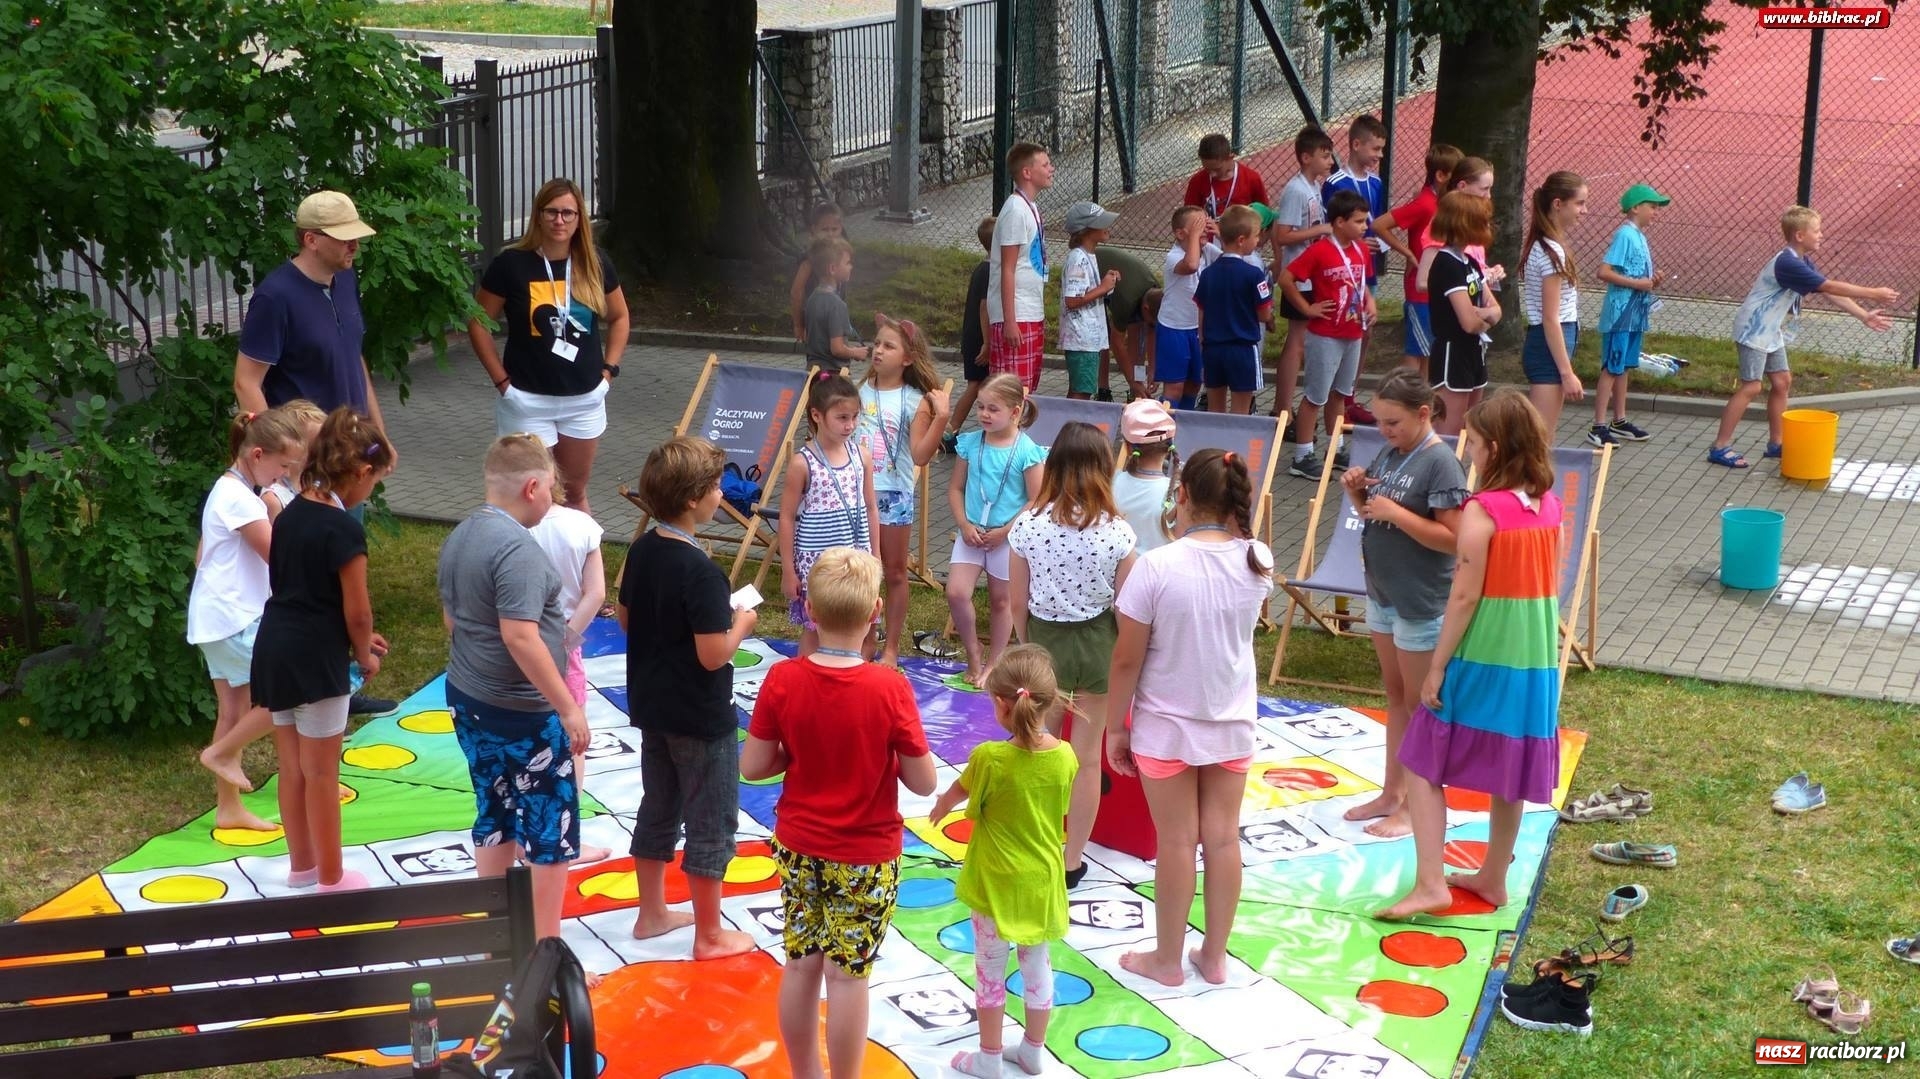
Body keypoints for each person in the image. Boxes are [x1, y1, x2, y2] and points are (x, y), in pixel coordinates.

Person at [740, 549, 937, 1079]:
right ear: (876, 611)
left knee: (801, 965)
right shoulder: (890, 688)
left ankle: (806, 1073)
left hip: (800, 846)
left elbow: (753, 767)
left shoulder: (783, 680)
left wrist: (795, 751)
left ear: (808, 610)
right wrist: (882, 750)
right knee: (848, 978)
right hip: (866, 856)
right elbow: (924, 782)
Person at [1380, 393, 1563, 920]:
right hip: (1533, 660)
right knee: (1510, 771)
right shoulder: (1548, 503)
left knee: (1421, 759)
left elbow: (1463, 596)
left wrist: (1436, 666)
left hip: (1484, 654)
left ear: (1497, 448)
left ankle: (1430, 884)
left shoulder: (1483, 510)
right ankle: (1493, 878)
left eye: (1476, 444)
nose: (1469, 454)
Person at [1105, 449, 1274, 986]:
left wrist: (1115, 726)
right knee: (1223, 839)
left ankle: (1166, 959)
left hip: (1164, 726)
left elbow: (1127, 657)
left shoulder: (1156, 565)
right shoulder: (1259, 559)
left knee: (1177, 841)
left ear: (1179, 496)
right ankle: (1215, 955)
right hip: (1231, 722)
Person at [438, 433, 589, 939]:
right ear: (532, 487)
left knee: (495, 809)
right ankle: (545, 946)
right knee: (552, 826)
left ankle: (497, 938)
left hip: (468, 696)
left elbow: (452, 620)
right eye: (551, 487)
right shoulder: (517, 551)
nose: (554, 498)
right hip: (522, 711)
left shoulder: (460, 535)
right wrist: (566, 706)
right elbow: (521, 636)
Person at [619, 435, 761, 958]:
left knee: (659, 804)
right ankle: (709, 934)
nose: (721, 492)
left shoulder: (641, 550)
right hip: (701, 717)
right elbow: (713, 655)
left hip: (653, 707)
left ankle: (651, 912)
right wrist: (741, 623)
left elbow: (627, 617)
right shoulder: (701, 570)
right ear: (692, 499)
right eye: (715, 485)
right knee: (712, 818)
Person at [252, 407, 395, 892]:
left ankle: (303, 868)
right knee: (322, 774)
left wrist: (352, 636)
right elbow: (358, 612)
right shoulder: (344, 529)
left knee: (291, 770)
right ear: (359, 473)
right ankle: (333, 879)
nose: (370, 492)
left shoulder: (289, 512)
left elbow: (299, 587)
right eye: (374, 482)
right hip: (316, 659)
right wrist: (363, 652)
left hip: (276, 647)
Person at [927, 645, 1076, 1079]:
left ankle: (989, 1058)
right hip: (1042, 882)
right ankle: (1033, 1050)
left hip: (995, 883)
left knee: (990, 970)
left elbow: (962, 790)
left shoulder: (990, 758)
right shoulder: (1066, 756)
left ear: (1000, 703)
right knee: (1038, 965)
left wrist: (942, 805)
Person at [1008, 423, 1138, 889]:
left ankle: (1033, 847)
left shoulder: (1027, 525)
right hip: (1100, 644)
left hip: (1045, 643)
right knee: (1085, 760)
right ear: (1105, 468)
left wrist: (1027, 645)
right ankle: (1071, 860)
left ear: (1054, 464)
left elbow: (1015, 603)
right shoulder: (1119, 533)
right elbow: (1126, 610)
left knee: (1038, 752)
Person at [1339, 371, 1466, 839]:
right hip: (1384, 592)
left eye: (1393, 422)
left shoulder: (1441, 464)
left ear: (1423, 414)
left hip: (1420, 599)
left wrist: (1397, 512)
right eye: (1380, 422)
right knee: (1396, 699)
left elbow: (1454, 539)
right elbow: (1375, 512)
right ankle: (1392, 792)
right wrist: (1357, 493)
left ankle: (1417, 807)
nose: (1385, 431)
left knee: (1420, 707)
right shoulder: (1393, 453)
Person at [467, 178, 629, 513]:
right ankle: (526, 563)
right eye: (552, 211)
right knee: (529, 495)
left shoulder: (595, 263)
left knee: (573, 493)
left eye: (568, 213)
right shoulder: (511, 265)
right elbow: (479, 322)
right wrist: (502, 383)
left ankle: (582, 565)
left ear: (579, 219)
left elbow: (620, 318)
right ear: (538, 215)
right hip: (526, 400)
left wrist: (608, 373)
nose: (559, 220)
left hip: (584, 398)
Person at [1709, 206, 1900, 467]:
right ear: (1799, 235)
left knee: (1782, 381)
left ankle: (1776, 443)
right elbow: (1828, 286)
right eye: (1817, 230)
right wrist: (1873, 293)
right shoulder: (1787, 262)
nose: (1821, 235)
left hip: (1770, 329)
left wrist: (1863, 315)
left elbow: (1826, 289)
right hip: (1753, 329)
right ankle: (1720, 446)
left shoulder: (1799, 260)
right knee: (1752, 386)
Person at [191, 408, 308, 830]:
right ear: (257, 454)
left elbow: (204, 553)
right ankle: (220, 754)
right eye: (281, 467)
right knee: (291, 689)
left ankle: (228, 808)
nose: (281, 477)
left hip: (218, 617)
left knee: (234, 710)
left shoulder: (231, 490)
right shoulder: (241, 498)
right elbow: (280, 558)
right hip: (233, 618)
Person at [233, 191, 393, 442]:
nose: (355, 246)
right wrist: (280, 457)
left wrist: (379, 435)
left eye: (356, 237)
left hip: (352, 448)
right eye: (344, 239)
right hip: (307, 456)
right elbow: (246, 382)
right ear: (311, 240)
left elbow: (354, 356)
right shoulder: (275, 297)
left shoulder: (346, 277)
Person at [860, 315, 950, 666]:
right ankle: (865, 637)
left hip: (892, 495)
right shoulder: (858, 390)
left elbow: (920, 456)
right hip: (857, 493)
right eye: (877, 343)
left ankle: (892, 647)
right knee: (862, 571)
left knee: (894, 572)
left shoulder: (915, 400)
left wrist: (939, 419)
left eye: (888, 346)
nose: (878, 350)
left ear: (908, 358)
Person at [529, 486, 612, 865]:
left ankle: (523, 831)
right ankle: (567, 834)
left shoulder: (507, 525)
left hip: (518, 642)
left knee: (528, 738)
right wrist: (568, 638)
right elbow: (595, 593)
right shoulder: (581, 526)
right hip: (562, 640)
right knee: (571, 740)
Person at [947, 375, 1047, 687]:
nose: (985, 414)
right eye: (980, 407)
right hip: (971, 534)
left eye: (993, 409)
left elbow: (1036, 499)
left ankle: (995, 662)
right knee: (956, 592)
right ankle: (973, 651)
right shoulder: (971, 443)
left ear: (1015, 412)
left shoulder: (1026, 450)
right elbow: (955, 488)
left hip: (1007, 537)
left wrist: (1006, 530)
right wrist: (964, 524)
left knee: (1001, 600)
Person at [780, 372, 878, 657]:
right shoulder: (802, 463)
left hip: (855, 558)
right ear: (817, 415)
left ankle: (854, 685)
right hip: (817, 561)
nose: (850, 425)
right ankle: (805, 688)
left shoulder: (862, 456)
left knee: (859, 622)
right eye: (842, 418)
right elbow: (786, 517)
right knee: (815, 627)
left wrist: (876, 555)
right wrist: (788, 570)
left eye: (855, 417)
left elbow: (871, 507)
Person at [1281, 190, 1376, 477]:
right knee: (1316, 396)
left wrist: (1371, 304)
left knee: (1341, 394)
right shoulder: (1320, 250)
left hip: (1353, 330)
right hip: (1325, 334)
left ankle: (1335, 448)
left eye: (1364, 221)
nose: (1364, 227)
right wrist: (1307, 308)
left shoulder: (1360, 249)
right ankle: (1302, 455)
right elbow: (1286, 279)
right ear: (1338, 222)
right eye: (1358, 222)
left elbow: (1363, 284)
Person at [1373, 143, 1465, 373]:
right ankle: (1406, 401)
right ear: (1441, 175)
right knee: (1416, 353)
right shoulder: (1425, 204)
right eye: (1457, 177)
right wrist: (1407, 252)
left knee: (1428, 352)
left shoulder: (1439, 203)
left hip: (1433, 290)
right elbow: (1379, 224)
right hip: (1420, 293)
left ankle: (1421, 402)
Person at [1322, 115, 1389, 426]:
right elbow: (1330, 229)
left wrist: (1377, 244)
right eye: (1375, 148)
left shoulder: (1375, 183)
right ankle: (1336, 396)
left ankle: (1349, 394)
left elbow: (1375, 225)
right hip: (1342, 273)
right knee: (1343, 331)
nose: (1379, 155)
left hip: (1367, 271)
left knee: (1365, 330)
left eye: (1382, 149)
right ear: (1356, 144)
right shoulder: (1335, 185)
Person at [1590, 183, 1669, 449]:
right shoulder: (1625, 235)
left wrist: (1650, 282)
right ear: (1636, 208)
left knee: (1623, 366)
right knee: (1612, 366)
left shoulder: (1639, 237)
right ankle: (1598, 425)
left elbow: (1636, 276)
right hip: (1620, 313)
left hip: (1635, 312)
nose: (1655, 212)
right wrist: (1639, 284)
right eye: (1652, 207)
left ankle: (1619, 419)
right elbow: (1604, 272)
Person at [1267, 126, 1337, 423]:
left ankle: (1286, 405)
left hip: (1310, 274)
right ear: (1306, 157)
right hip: (1299, 275)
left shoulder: (1313, 188)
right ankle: (1282, 407)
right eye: (1324, 155)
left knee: (1303, 338)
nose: (1330, 160)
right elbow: (1282, 234)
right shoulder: (1296, 190)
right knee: (1297, 339)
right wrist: (1320, 230)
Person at [1520, 172, 1590, 434]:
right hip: (1547, 348)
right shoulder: (1551, 251)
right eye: (1580, 203)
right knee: (1539, 438)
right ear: (1558, 204)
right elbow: (1551, 318)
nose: (1584, 210)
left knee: (1540, 437)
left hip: (1550, 345)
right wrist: (1566, 372)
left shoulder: (1548, 245)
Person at [1426, 192, 1501, 435]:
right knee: (1450, 430)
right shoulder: (1446, 263)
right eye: (1482, 221)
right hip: (1452, 351)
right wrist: (1484, 316)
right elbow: (1468, 322)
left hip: (1474, 350)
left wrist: (1484, 313)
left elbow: (1497, 311)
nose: (1488, 227)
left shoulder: (1469, 261)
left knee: (1471, 427)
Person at [1195, 205, 1276, 415]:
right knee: (1241, 412)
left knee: (1215, 409)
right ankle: (1236, 447)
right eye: (1256, 236)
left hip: (1213, 349)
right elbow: (1264, 314)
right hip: (1242, 349)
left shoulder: (1208, 273)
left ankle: (1215, 447)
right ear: (1242, 240)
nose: (1258, 241)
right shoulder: (1254, 274)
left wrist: (1203, 342)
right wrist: (1269, 312)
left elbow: (1201, 312)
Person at [989, 142, 1056, 392]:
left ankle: (1020, 432)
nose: (1052, 169)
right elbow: (1008, 268)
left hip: (1030, 312)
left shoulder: (1031, 207)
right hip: (1017, 314)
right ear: (1027, 172)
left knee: (1027, 389)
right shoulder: (1016, 210)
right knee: (1012, 391)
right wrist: (1010, 321)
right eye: (1045, 164)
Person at [1157, 206, 1222, 411]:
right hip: (1174, 328)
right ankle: (1161, 428)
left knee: (1194, 384)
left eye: (1205, 224)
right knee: (1175, 387)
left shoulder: (1208, 251)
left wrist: (1221, 235)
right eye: (1197, 225)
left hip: (1197, 329)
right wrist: (1195, 236)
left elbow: (1233, 262)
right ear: (1180, 233)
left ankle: (1183, 425)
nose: (1203, 230)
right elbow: (1191, 265)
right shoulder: (1174, 256)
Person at [1060, 201, 1125, 401]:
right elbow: (1072, 300)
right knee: (1081, 392)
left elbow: (1085, 292)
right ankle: (1073, 429)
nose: (1108, 227)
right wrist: (1103, 288)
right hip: (1081, 339)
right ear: (1086, 230)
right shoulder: (1078, 258)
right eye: (1102, 223)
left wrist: (1107, 284)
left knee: (1083, 389)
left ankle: (1072, 428)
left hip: (1087, 338)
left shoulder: (1088, 256)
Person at [947, 215, 998, 453]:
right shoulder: (988, 271)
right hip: (979, 339)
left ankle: (952, 430)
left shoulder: (985, 268)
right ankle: (949, 431)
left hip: (975, 337)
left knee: (980, 385)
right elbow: (984, 307)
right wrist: (987, 344)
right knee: (976, 385)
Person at [1111, 399, 1180, 557]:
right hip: (1161, 575)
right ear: (1170, 446)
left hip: (1118, 573)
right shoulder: (1177, 491)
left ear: (1127, 447)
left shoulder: (1111, 482)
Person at [1094, 244, 1160, 402]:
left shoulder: (1155, 291)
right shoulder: (1126, 302)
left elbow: (1151, 332)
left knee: (1139, 334)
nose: (1151, 324)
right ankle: (1103, 390)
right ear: (1145, 307)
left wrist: (1153, 371)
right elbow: (1117, 345)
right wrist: (1131, 380)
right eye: (1151, 320)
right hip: (1093, 271)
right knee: (1103, 334)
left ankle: (1135, 389)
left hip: (1126, 281)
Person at [789, 203, 846, 342]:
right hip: (815, 319)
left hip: (836, 318)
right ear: (814, 230)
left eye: (835, 229)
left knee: (840, 357)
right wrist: (798, 324)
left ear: (841, 228)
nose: (830, 234)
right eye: (825, 229)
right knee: (819, 358)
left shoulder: (842, 254)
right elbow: (796, 291)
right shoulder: (810, 258)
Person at [1183, 132, 1271, 221]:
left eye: (1217, 169)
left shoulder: (1251, 178)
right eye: (1207, 169)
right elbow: (1188, 215)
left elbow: (1264, 211)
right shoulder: (1197, 181)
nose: (1212, 174)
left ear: (1230, 157)